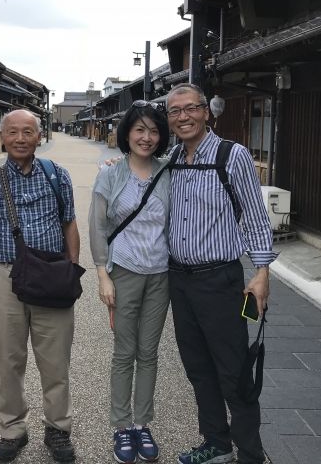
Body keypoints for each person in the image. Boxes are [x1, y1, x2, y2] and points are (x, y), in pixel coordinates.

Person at [164, 84, 276, 464]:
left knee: (233, 370)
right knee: (197, 367)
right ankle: (216, 441)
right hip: (179, 280)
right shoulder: (172, 158)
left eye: (190, 108)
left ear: (206, 112)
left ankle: (250, 452)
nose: (183, 117)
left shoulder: (233, 155)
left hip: (220, 280)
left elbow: (256, 216)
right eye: (174, 111)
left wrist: (261, 271)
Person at [0, 109, 81, 463]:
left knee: (55, 360)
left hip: (50, 276)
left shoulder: (56, 175)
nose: (20, 138)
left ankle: (58, 428)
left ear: (39, 135)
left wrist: (71, 272)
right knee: (10, 359)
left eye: (28, 132)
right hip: (4, 276)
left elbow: (69, 226)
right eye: (13, 132)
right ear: (2, 137)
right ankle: (12, 429)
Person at [89, 100, 171, 464]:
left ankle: (142, 423)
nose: (147, 137)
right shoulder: (110, 173)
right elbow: (97, 226)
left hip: (160, 273)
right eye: (139, 129)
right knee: (125, 352)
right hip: (122, 270)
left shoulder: (169, 171)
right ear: (127, 134)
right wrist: (102, 273)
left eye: (153, 131)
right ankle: (121, 425)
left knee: (149, 353)